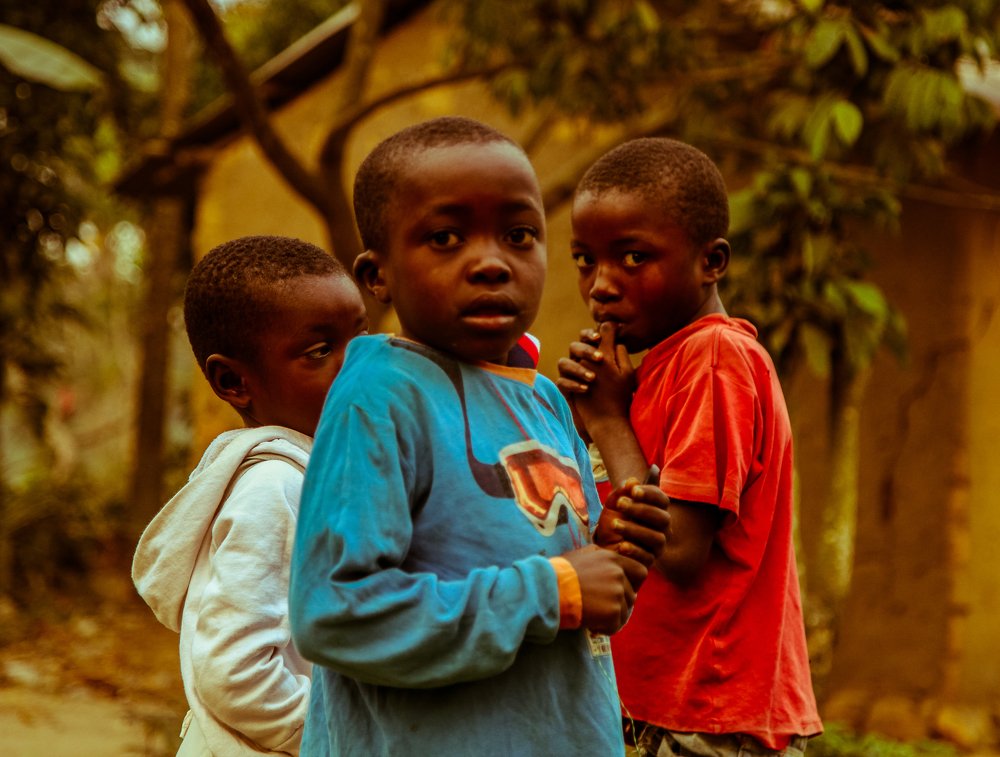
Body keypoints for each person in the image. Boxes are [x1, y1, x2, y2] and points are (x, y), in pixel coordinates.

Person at [288, 116, 653, 757]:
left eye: (519, 235)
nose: (490, 263)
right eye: (445, 238)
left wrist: (616, 549)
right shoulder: (380, 395)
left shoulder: (544, 399)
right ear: (377, 276)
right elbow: (335, 613)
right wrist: (550, 591)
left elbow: (578, 594)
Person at [557, 138, 823, 757]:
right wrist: (585, 418)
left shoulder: (715, 357)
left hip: (711, 712)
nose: (601, 286)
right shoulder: (652, 372)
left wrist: (608, 421)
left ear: (712, 262)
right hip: (660, 706)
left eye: (633, 257)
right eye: (585, 260)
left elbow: (677, 548)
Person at [132, 235, 368, 756]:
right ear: (234, 381)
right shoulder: (274, 487)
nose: (357, 367)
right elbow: (234, 673)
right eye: (320, 351)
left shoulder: (320, 472)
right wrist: (350, 732)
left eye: (362, 337)